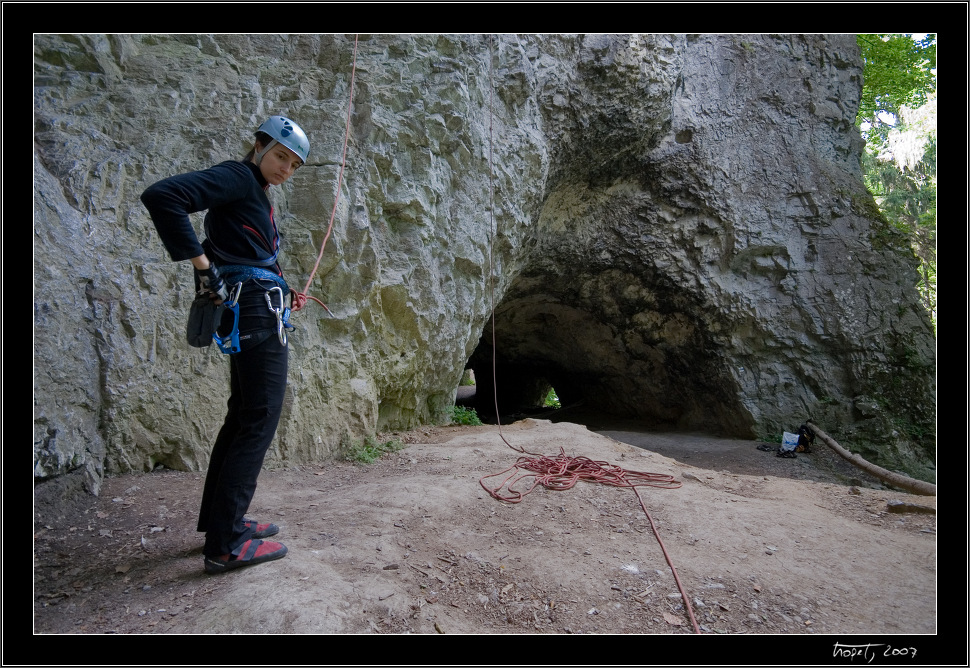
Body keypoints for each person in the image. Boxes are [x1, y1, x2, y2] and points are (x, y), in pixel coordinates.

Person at [141, 116, 310, 574]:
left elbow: (245, 251)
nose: (285, 169)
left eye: (294, 165)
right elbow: (163, 196)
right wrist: (200, 266)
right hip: (255, 310)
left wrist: (284, 285)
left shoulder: (253, 192)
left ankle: (220, 523)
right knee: (258, 418)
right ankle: (226, 543)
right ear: (257, 146)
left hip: (255, 304)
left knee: (243, 415)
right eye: (280, 156)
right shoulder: (239, 177)